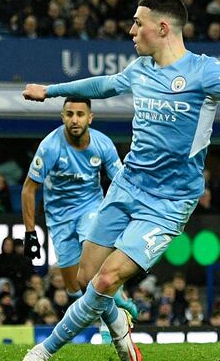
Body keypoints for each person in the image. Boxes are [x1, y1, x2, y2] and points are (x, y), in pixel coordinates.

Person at [16, 0, 220, 361]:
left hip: (168, 203)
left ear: (162, 28)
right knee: (86, 278)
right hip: (127, 186)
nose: (132, 29)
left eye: (138, 22)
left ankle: (42, 353)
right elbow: (104, 85)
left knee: (105, 280)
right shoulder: (142, 68)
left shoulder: (205, 72)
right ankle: (120, 327)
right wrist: (50, 90)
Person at [22, 98, 138, 322]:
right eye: (70, 114)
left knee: (92, 266)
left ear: (90, 118)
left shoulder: (103, 144)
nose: (75, 119)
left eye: (80, 114)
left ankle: (110, 325)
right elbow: (29, 189)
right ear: (62, 117)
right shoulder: (50, 147)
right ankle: (117, 301)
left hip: (91, 207)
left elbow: (121, 182)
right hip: (58, 217)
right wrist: (30, 233)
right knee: (74, 286)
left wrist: (132, 214)